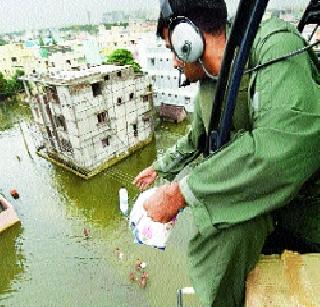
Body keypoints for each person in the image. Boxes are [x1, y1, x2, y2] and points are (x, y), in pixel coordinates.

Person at [133, 0, 320, 306]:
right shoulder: (210, 89)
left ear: (188, 39)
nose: (174, 62)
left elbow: (281, 146)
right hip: (260, 212)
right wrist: (160, 169)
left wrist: (181, 193)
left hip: (301, 216)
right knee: (213, 247)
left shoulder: (273, 44)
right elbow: (194, 140)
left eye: (171, 49)